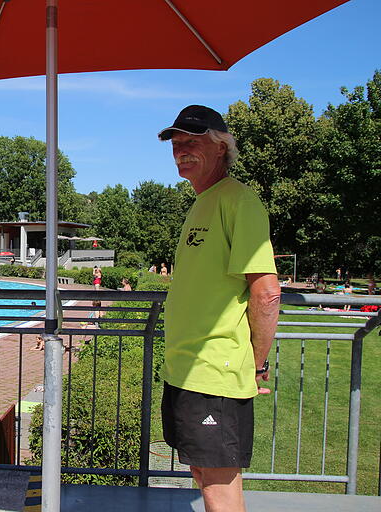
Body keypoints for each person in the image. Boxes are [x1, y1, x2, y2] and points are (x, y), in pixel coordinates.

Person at [158, 105, 280, 512]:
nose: (181, 151)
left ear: (222, 146)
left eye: (192, 142)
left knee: (217, 483)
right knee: (201, 471)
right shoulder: (202, 201)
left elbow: (265, 292)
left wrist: (257, 364)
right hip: (186, 369)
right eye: (176, 145)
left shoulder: (239, 201)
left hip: (215, 372)